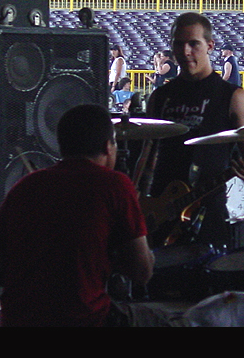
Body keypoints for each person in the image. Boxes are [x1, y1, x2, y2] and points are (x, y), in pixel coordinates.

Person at [0, 104, 166, 327]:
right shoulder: (113, 184)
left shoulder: (24, 187)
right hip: (84, 319)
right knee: (166, 320)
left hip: (16, 320)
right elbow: (141, 272)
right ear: (108, 147)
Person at [144, 12, 244, 250]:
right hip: (162, 213)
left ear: (210, 46)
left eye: (193, 44)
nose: (186, 51)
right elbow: (146, 159)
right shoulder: (160, 97)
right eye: (179, 44)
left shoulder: (233, 97)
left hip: (208, 217)